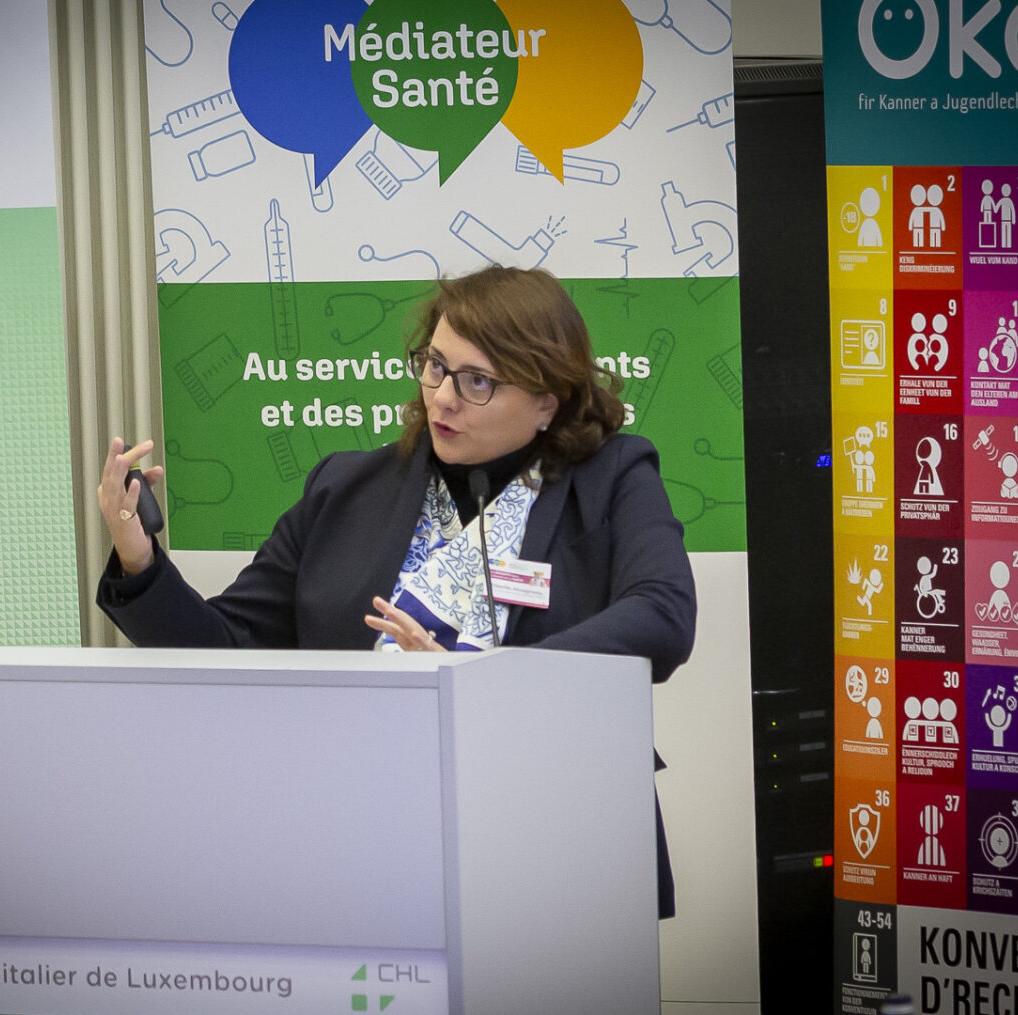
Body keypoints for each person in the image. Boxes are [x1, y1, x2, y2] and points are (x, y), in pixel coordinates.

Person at [96, 264, 697, 914]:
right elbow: (226, 646)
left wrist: (477, 679)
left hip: (555, 836)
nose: (442, 398)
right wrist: (138, 554)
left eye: (477, 381)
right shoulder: (346, 488)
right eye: (435, 366)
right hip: (364, 839)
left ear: (547, 400)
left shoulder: (613, 478)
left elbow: (662, 616)